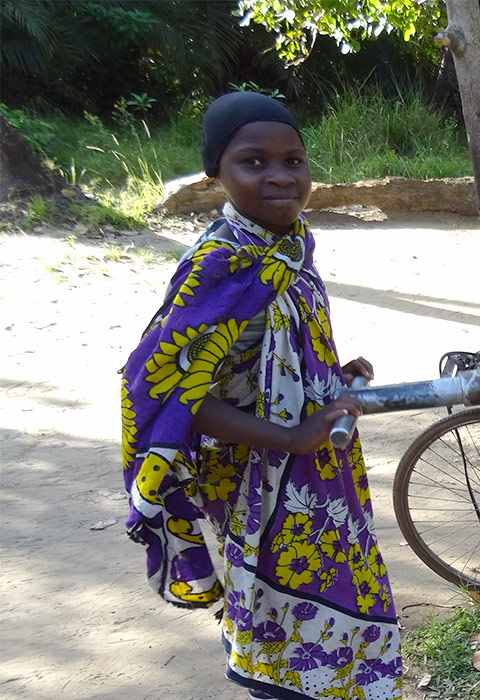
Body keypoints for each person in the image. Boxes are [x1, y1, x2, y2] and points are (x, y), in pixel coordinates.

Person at [120, 91, 402, 699]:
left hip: (317, 471)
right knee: (277, 624)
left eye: (294, 160)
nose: (281, 176)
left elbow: (275, 350)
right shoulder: (222, 264)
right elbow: (171, 392)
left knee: (335, 595)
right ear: (215, 174)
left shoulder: (288, 247)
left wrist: (330, 370)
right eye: (254, 162)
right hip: (257, 483)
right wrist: (289, 436)